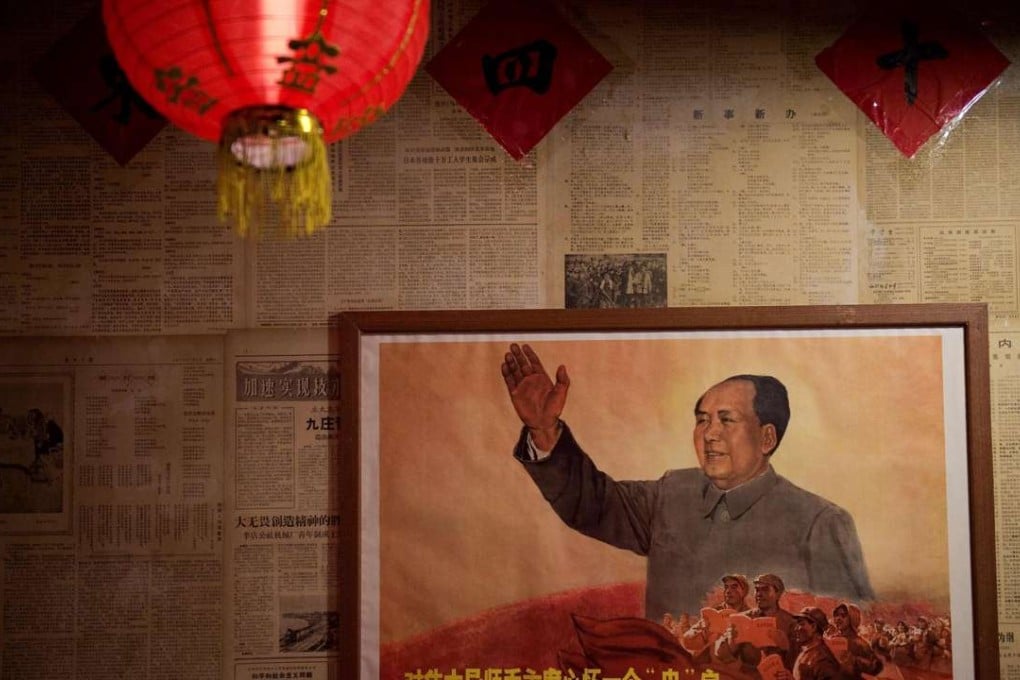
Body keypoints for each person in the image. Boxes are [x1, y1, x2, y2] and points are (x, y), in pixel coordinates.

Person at [500, 343, 874, 619]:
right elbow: (590, 504)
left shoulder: (820, 523)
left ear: (766, 438)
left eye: (726, 420)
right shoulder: (670, 493)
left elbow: (849, 635)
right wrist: (545, 430)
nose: (709, 433)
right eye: (701, 420)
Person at [778, 607, 841, 680]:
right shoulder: (808, 651)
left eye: (801, 624)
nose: (796, 628)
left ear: (814, 627)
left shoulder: (822, 660)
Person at [827, 602, 883, 679]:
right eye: (836, 615)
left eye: (843, 615)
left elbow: (876, 667)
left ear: (852, 618)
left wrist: (854, 661)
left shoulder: (859, 643)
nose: (838, 618)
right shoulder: (832, 639)